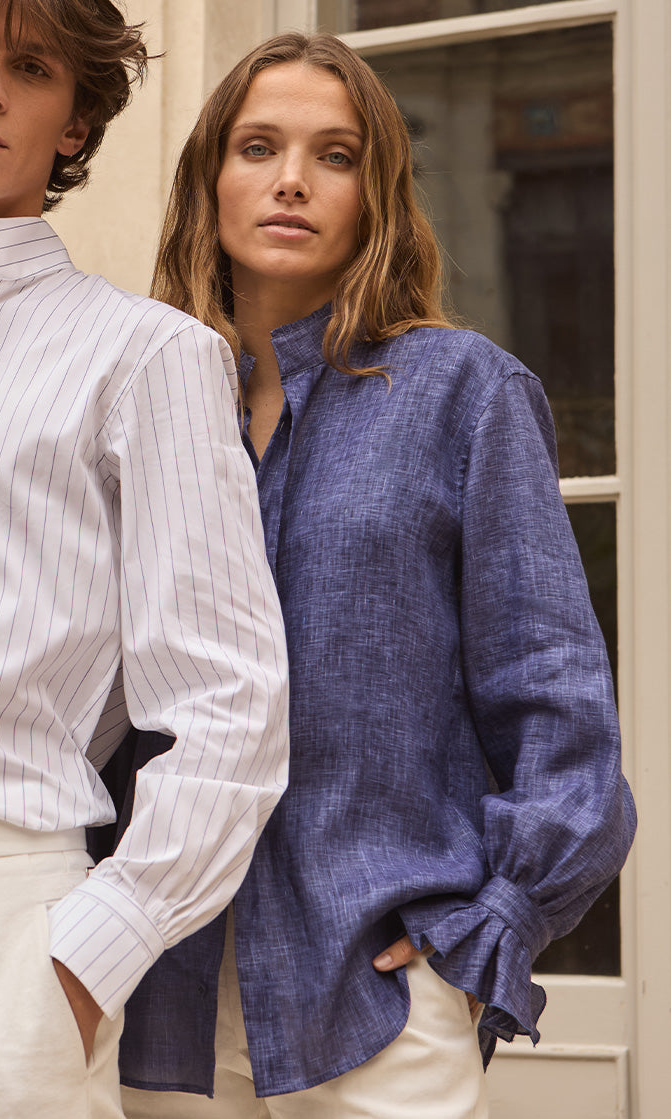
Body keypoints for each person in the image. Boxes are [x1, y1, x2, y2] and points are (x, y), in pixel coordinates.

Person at [116, 30, 636, 1119]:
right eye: (258, 147)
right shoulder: (141, 404)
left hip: (378, 993)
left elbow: (553, 697)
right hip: (154, 998)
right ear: (209, 177)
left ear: (378, 192)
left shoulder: (463, 393)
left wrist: (492, 923)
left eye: (335, 155)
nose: (293, 180)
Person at [0, 2, 290, 1116]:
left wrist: (83, 962)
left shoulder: (145, 358)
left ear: (74, 124)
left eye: (26, 68)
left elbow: (232, 703)